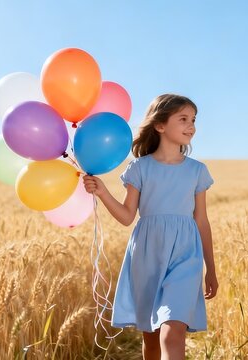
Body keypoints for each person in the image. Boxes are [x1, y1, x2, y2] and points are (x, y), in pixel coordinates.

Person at [83, 94, 218, 360]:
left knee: (173, 330)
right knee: (152, 338)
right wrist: (102, 192)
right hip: (147, 254)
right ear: (160, 125)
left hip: (185, 255)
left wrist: (210, 269)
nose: (191, 125)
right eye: (183, 119)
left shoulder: (197, 171)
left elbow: (201, 220)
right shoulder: (140, 168)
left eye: (193, 120)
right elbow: (126, 216)